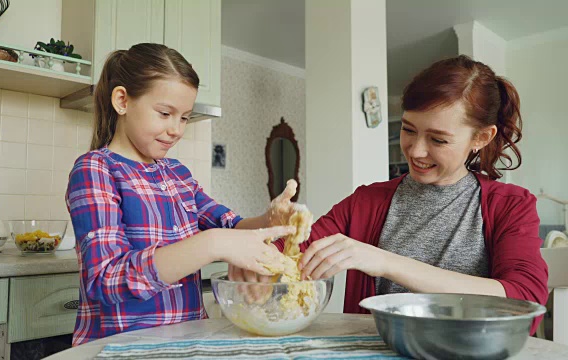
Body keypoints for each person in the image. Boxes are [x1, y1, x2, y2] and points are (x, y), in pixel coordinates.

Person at [235, 55, 549, 334]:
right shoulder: (367, 201)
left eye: (438, 140)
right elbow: (290, 250)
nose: (416, 150)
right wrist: (262, 245)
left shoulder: (510, 205)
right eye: (409, 130)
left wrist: (384, 261)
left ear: (481, 137)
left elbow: (525, 302)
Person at [66, 43, 297, 346]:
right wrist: (211, 244)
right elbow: (106, 280)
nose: (176, 129)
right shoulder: (96, 169)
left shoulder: (177, 174)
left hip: (186, 344)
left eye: (185, 117)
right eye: (165, 113)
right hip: (119, 347)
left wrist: (269, 218)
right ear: (122, 100)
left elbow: (229, 226)